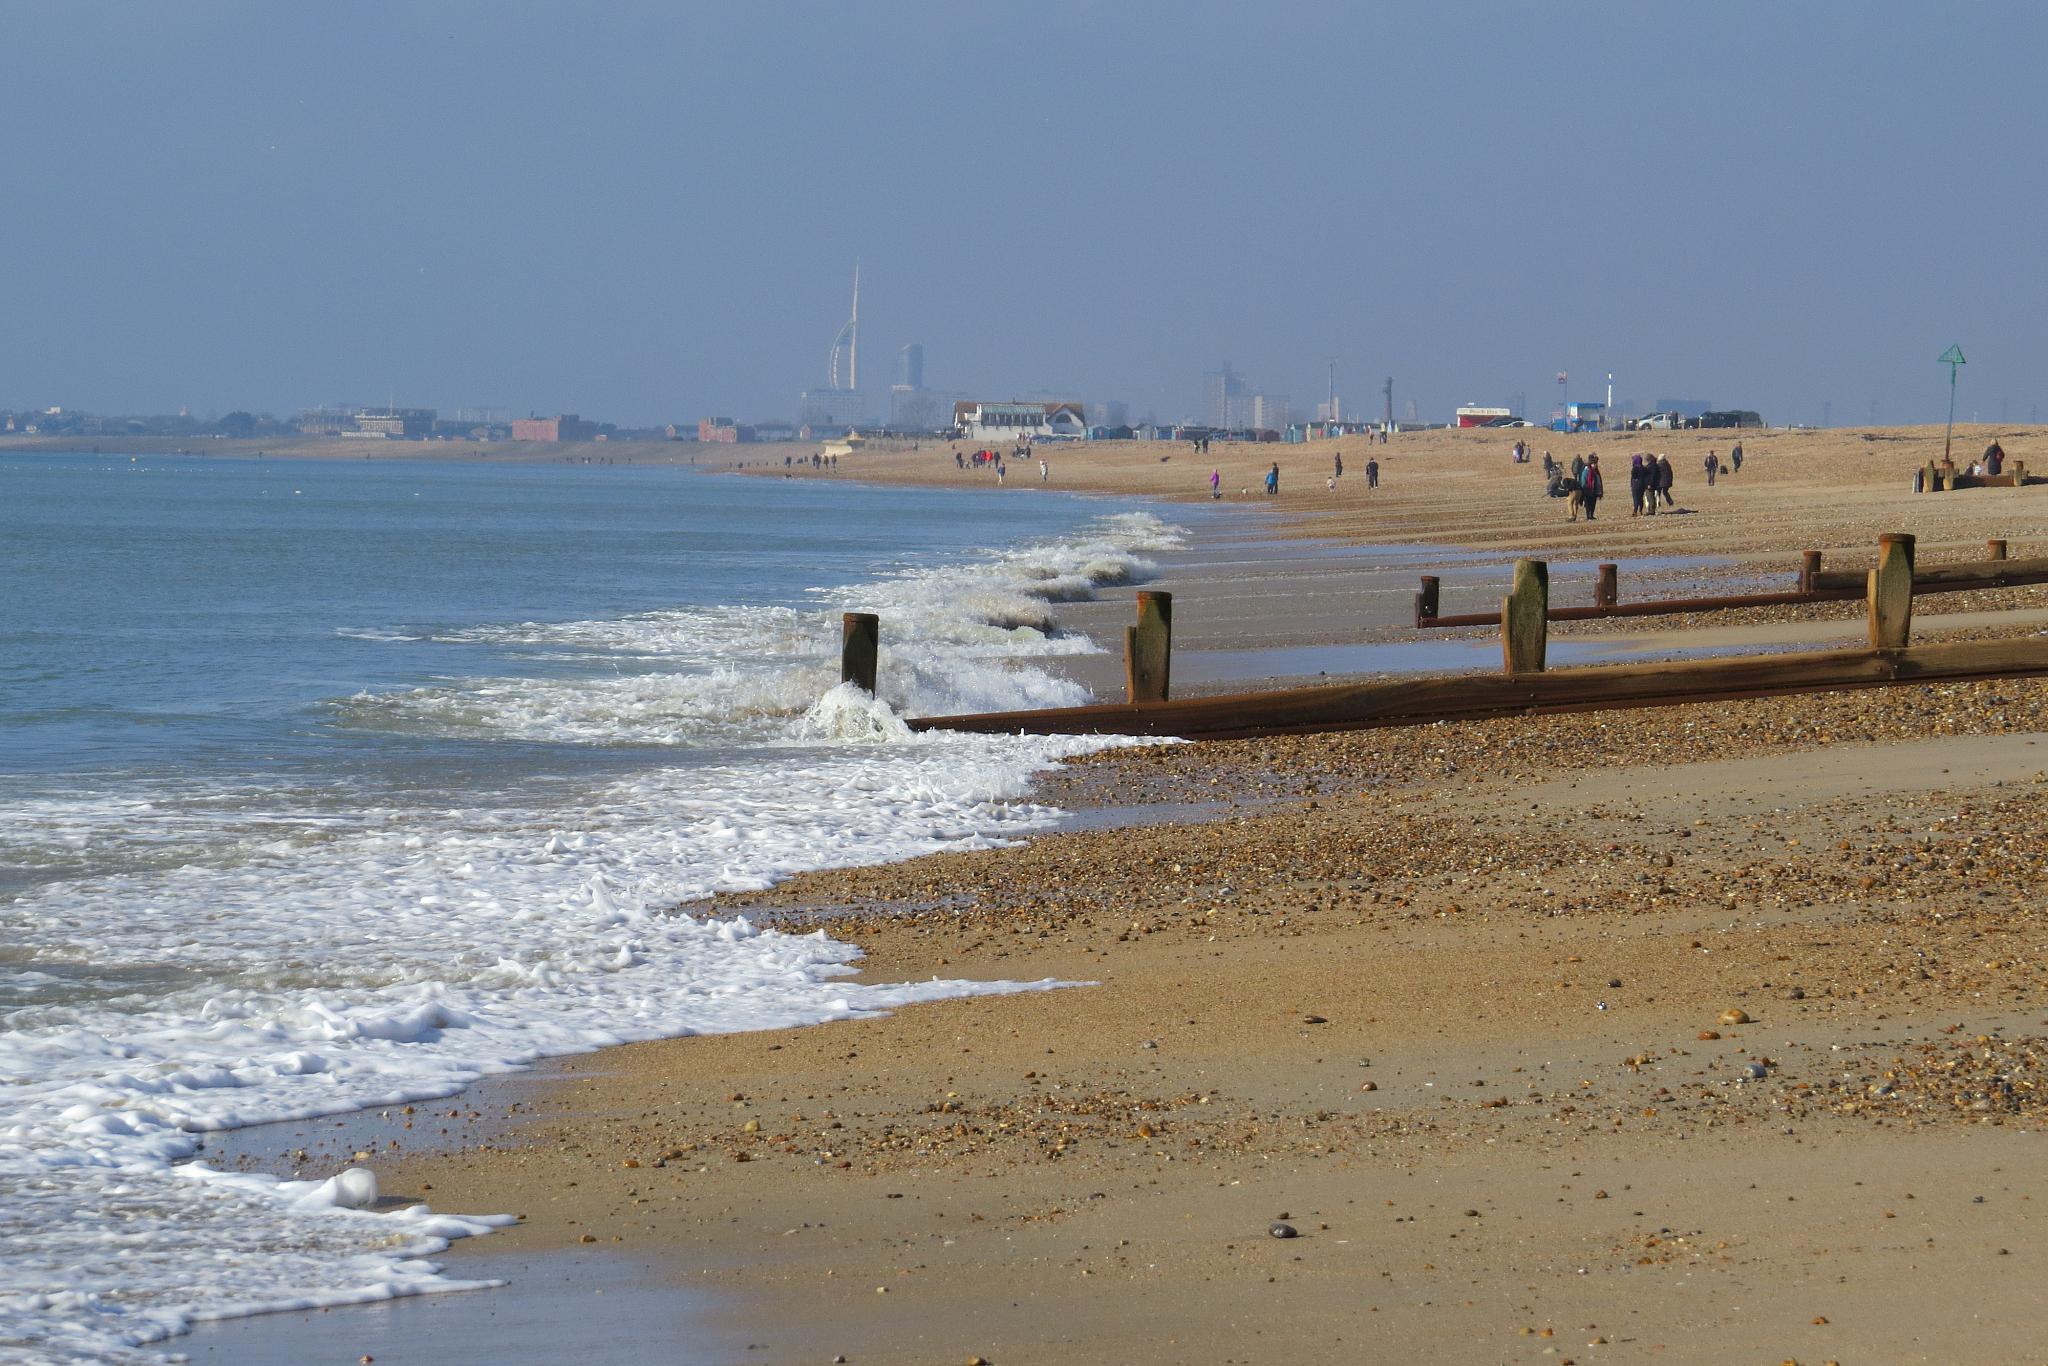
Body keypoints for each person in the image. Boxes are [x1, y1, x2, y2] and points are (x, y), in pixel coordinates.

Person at [1580, 455, 1604, 519]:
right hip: (1588, 490)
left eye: (1595, 464)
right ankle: (1588, 516)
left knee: (1593, 503)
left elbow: (1599, 481)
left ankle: (1591, 515)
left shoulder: (1596, 471)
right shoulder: (1586, 471)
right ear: (1590, 464)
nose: (1595, 465)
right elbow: (1583, 481)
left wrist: (1600, 491)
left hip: (1594, 490)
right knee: (1588, 504)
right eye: (1593, 464)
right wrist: (1585, 489)